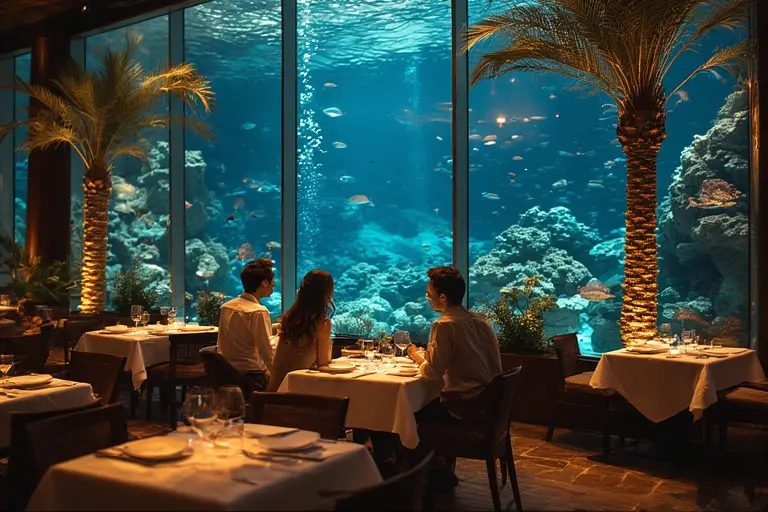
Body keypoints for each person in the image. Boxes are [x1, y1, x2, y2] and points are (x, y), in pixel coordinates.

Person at [407, 266, 503, 490]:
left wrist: (415, 355)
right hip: (488, 407)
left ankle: (417, 477)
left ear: (442, 297)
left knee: (405, 409)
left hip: (464, 409)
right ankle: (438, 467)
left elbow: (432, 373)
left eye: (429, 292)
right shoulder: (481, 321)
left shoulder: (444, 325)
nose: (427, 296)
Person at [266, 270, 334, 392]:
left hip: (272, 392)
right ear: (326, 293)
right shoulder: (322, 322)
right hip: (295, 395)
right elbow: (323, 362)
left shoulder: (289, 317)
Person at [217, 258, 278, 389]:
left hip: (226, 374)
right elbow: (266, 352)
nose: (274, 284)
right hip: (251, 378)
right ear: (265, 283)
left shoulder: (226, 307)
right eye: (273, 281)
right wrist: (278, 375)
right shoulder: (258, 311)